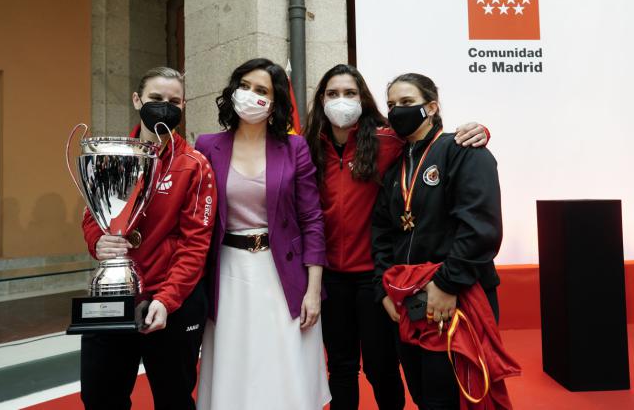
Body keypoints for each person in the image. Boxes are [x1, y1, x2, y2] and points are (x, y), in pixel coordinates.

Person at [302, 64, 489, 410]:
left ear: (363, 99)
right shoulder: (307, 148)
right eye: (332, 94)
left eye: (350, 93)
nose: (341, 101)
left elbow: (431, 140)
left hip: (376, 278)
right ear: (321, 99)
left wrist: (479, 131)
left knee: (382, 367)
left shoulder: (387, 141)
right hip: (329, 278)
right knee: (340, 366)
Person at [195, 58, 331, 410]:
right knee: (234, 360)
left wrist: (313, 290)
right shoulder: (207, 146)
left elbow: (312, 219)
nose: (250, 95)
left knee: (284, 363)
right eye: (245, 86)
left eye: (262, 91)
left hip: (282, 270)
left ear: (274, 102)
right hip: (228, 269)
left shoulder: (294, 147)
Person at [80, 67, 216, 410]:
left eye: (173, 101)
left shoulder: (195, 165)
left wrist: (167, 299)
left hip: (172, 300)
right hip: (114, 293)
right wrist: (98, 242)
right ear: (138, 100)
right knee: (99, 397)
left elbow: (195, 244)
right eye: (156, 99)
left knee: (173, 398)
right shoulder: (110, 153)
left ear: (183, 106)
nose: (164, 107)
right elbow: (92, 216)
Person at [371, 72, 503, 409]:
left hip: (457, 296)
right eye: (391, 105)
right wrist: (383, 289)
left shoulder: (464, 151)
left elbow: (480, 227)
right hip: (409, 301)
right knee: (423, 395)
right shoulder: (395, 167)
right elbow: (382, 233)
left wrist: (447, 284)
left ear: (431, 107)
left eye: (406, 103)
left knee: (456, 397)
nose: (397, 111)